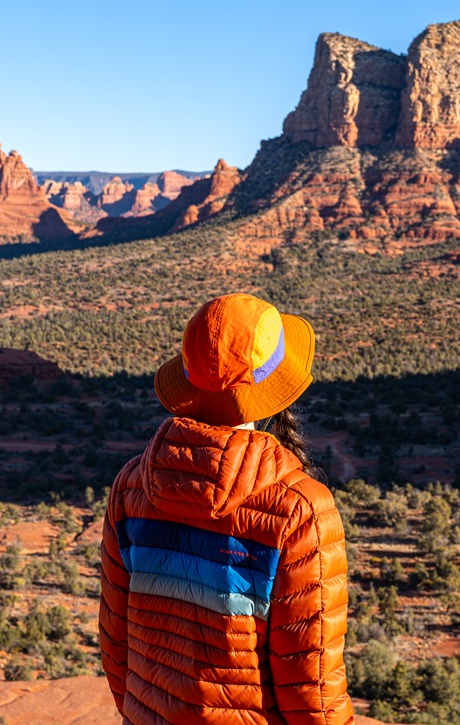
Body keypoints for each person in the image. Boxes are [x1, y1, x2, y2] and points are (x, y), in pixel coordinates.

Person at [99, 292, 354, 725]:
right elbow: (312, 683)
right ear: (271, 390)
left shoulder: (131, 486)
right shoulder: (299, 508)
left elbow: (115, 642)